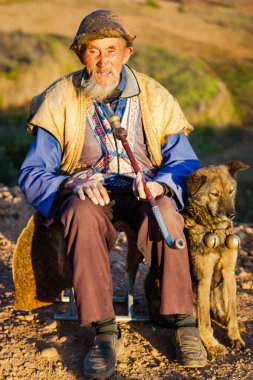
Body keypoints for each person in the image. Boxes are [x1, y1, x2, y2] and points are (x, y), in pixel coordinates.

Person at [19, 9, 207, 378]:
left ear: (127, 53)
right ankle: (104, 331)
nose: (103, 59)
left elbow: (183, 162)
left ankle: (185, 322)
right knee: (79, 214)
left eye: (111, 49)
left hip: (144, 189)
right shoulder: (60, 98)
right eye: (93, 50)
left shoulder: (155, 95)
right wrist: (70, 183)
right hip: (90, 194)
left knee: (165, 213)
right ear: (81, 55)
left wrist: (160, 183)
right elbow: (32, 172)